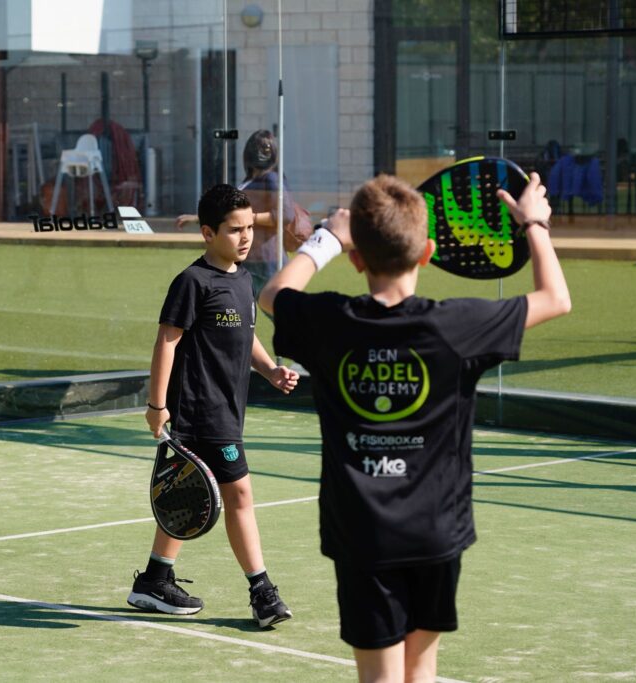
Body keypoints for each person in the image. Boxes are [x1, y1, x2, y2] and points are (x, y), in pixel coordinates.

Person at [258, 173, 571, 681]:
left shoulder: (328, 320)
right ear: (427, 252)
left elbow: (274, 293)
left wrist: (328, 238)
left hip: (361, 535)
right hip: (436, 532)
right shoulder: (458, 326)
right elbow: (556, 298)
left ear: (358, 257)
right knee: (420, 668)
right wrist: (533, 222)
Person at [128, 183, 300, 628]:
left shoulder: (243, 280)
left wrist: (270, 371)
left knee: (184, 495)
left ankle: (154, 580)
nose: (245, 238)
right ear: (207, 233)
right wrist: (156, 405)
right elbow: (166, 342)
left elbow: (246, 336)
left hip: (227, 408)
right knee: (239, 494)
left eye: (248, 228)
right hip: (199, 412)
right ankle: (262, 592)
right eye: (233, 230)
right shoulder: (192, 282)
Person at [177, 130, 309, 297]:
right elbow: (231, 212)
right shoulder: (251, 179)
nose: (262, 152)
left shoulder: (272, 179)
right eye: (259, 147)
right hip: (249, 256)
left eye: (267, 148)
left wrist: (250, 219)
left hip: (267, 259)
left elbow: (285, 214)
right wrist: (198, 218)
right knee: (239, 307)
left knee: (278, 310)